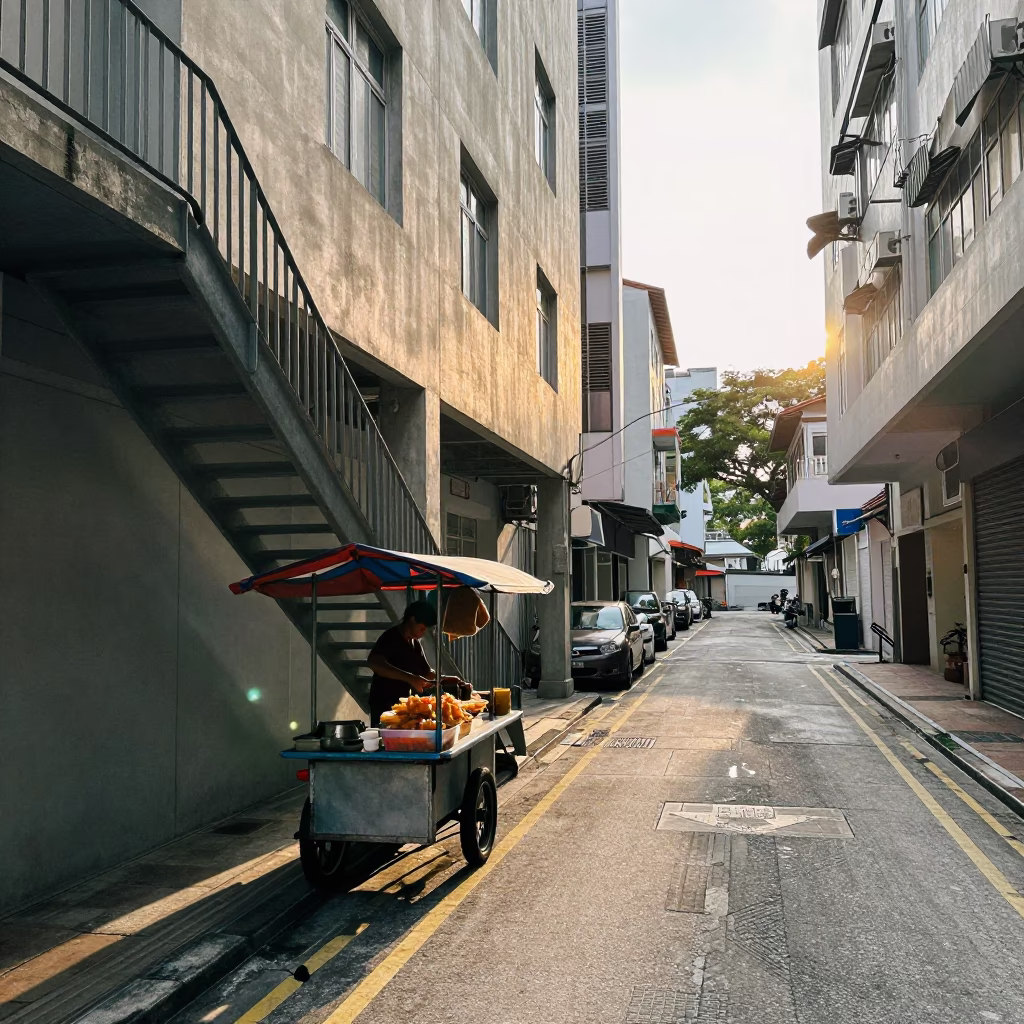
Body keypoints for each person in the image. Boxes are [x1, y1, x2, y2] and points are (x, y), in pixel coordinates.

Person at [366, 600, 438, 727]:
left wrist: (444, 679)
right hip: (384, 703)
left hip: (403, 705)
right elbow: (374, 663)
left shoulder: (415, 643)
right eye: (421, 628)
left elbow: (427, 672)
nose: (423, 633)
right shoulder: (391, 637)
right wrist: (410, 678)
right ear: (412, 620)